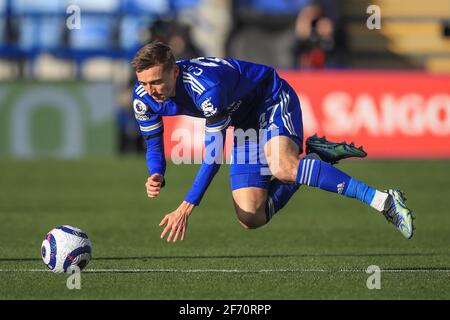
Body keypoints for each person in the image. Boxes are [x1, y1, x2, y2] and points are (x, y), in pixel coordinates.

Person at [130, 41, 415, 243]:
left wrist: (186, 205)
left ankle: (384, 201)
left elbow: (214, 155)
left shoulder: (207, 89)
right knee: (250, 216)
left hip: (272, 99)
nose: (150, 89)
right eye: (144, 82)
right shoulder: (143, 96)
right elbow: (154, 143)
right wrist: (157, 172)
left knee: (283, 167)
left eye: (156, 81)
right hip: (244, 121)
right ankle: (313, 161)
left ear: (175, 71)